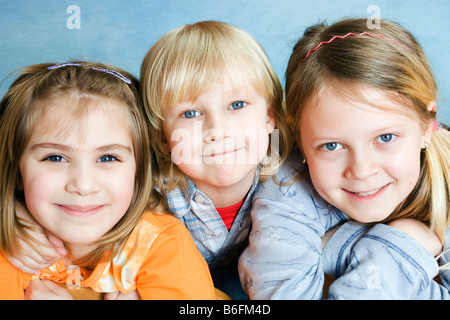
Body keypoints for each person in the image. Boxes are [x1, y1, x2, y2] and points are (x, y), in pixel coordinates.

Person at [239, 18, 450, 299]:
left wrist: (336, 248)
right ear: (299, 139)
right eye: (332, 145)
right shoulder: (287, 189)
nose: (361, 171)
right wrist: (401, 244)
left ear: (426, 125)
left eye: (385, 138)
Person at [0, 62, 215, 300]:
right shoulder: (10, 247)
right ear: (17, 171)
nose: (83, 185)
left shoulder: (160, 244)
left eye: (107, 157)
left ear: (139, 172)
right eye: (56, 157)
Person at [140, 20, 290, 299]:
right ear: (162, 137)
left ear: (269, 116)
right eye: (190, 113)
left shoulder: (292, 183)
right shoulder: (148, 196)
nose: (217, 131)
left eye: (237, 105)